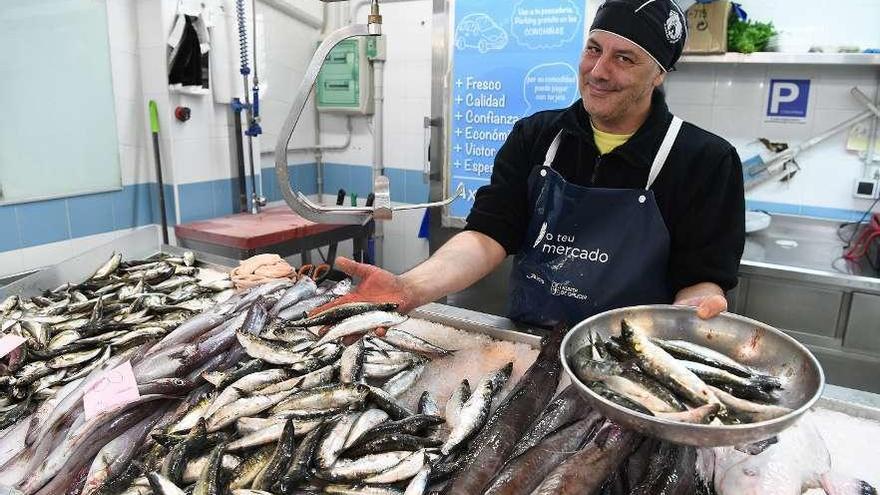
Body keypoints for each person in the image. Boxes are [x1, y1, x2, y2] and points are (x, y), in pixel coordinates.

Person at [319, 0, 745, 327]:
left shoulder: (706, 161)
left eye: (624, 58)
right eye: (593, 49)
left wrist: (696, 310)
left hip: (632, 360)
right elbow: (488, 234)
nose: (598, 70)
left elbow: (701, 278)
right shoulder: (537, 136)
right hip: (531, 341)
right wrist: (409, 288)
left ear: (659, 74)